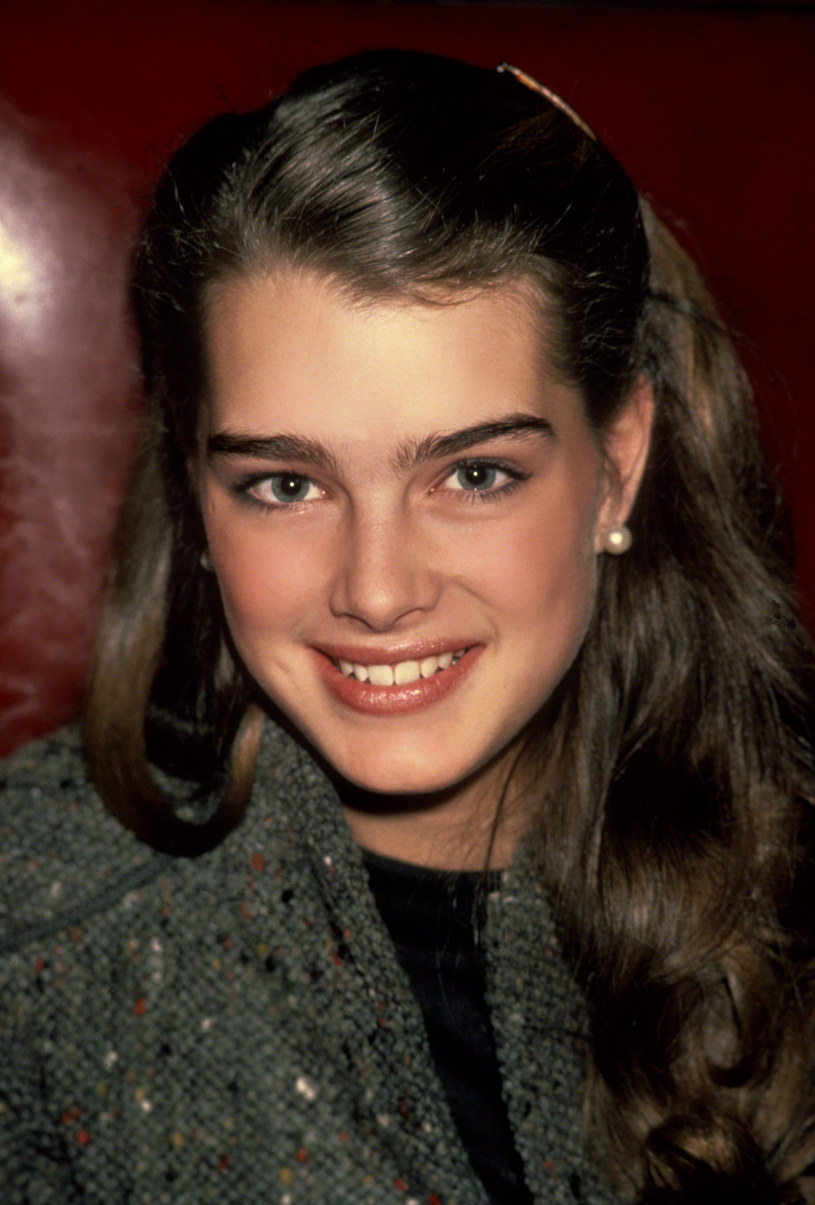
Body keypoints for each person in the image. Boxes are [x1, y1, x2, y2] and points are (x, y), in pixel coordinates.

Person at [1, 48, 814, 1205]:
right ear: (195, 492)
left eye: (473, 474)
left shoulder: (786, 888)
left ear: (617, 465)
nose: (377, 590)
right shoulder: (37, 937)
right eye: (285, 483)